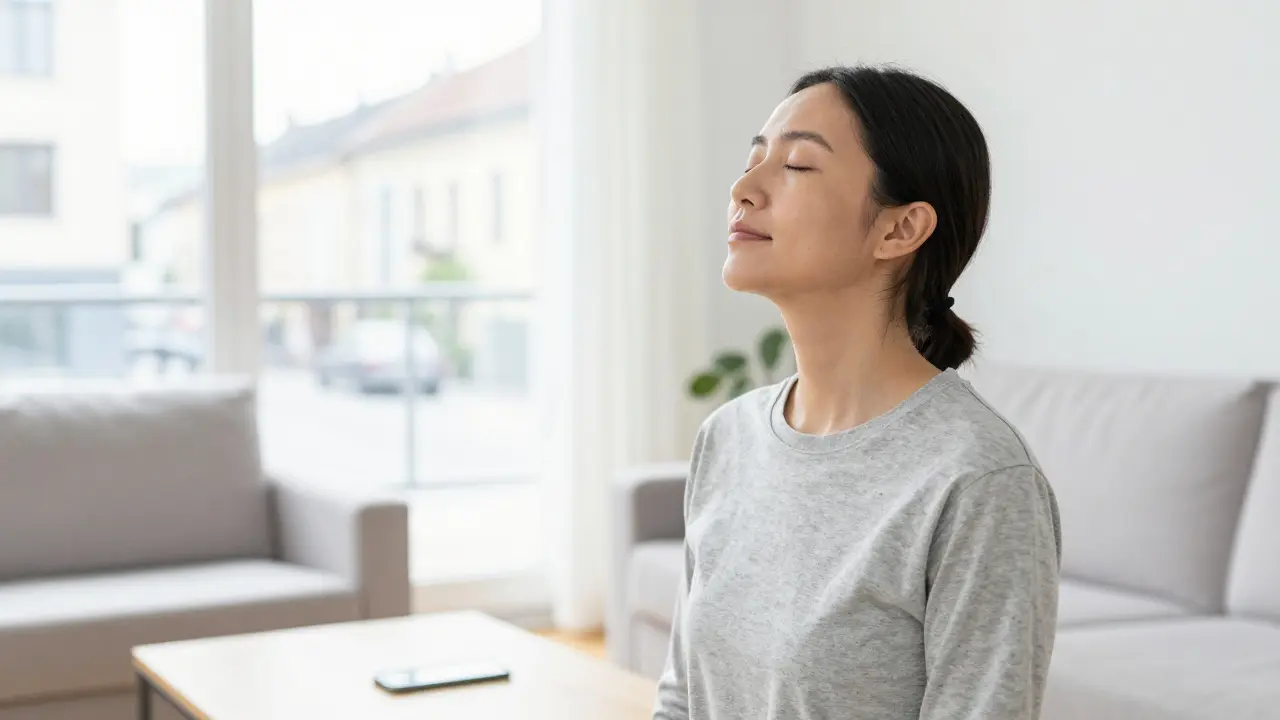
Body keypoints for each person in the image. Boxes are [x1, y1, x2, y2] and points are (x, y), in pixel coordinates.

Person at [652, 66, 1062, 720]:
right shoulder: (726, 438)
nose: (743, 189)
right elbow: (682, 699)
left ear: (899, 230)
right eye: (754, 159)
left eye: (798, 166)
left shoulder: (978, 480)